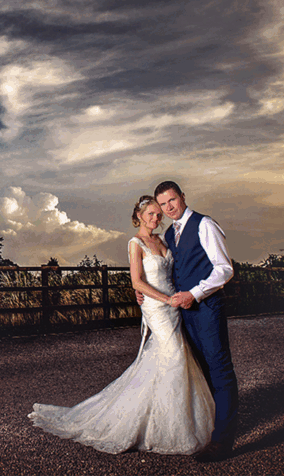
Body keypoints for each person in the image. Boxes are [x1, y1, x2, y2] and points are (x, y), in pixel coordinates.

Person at [28, 195, 214, 455]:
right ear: (138, 216)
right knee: (173, 354)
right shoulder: (135, 243)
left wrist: (176, 298)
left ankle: (166, 420)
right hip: (157, 306)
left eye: (158, 214)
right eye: (150, 214)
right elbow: (137, 282)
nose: (156, 218)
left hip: (173, 305)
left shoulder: (163, 240)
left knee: (174, 356)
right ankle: (164, 426)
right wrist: (165, 299)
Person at [151, 180, 239, 462]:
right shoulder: (169, 233)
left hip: (207, 307)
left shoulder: (204, 224)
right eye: (163, 204)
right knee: (202, 372)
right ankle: (215, 427)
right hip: (185, 312)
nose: (169, 207)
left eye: (172, 200)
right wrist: (144, 293)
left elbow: (224, 269)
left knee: (220, 371)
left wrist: (196, 293)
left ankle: (223, 442)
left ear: (183, 197)